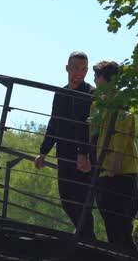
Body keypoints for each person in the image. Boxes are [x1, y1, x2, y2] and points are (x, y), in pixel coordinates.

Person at [34, 51, 96, 240]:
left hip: (83, 156)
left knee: (82, 200)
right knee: (67, 199)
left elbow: (89, 127)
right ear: (67, 68)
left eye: (84, 69)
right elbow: (54, 123)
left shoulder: (91, 94)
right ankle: (86, 237)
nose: (80, 72)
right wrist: (43, 152)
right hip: (64, 154)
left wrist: (83, 153)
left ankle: (87, 240)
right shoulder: (60, 94)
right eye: (76, 68)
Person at [90, 60, 138, 250]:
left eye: (96, 76)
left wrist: (115, 162)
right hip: (105, 169)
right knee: (111, 221)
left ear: (104, 78)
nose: (94, 80)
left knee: (121, 224)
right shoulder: (100, 103)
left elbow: (122, 131)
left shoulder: (119, 101)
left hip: (119, 170)